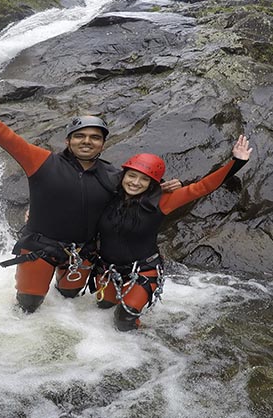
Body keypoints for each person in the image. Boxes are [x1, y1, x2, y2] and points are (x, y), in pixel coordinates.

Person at [0, 67, 181, 313]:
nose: (87, 141)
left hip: (82, 253)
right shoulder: (41, 162)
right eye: (80, 136)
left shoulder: (114, 176)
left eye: (95, 137)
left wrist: (161, 187)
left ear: (102, 144)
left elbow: (137, 191)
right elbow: (2, 135)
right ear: (68, 141)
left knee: (69, 295)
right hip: (40, 248)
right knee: (28, 305)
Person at [92, 135, 252, 331]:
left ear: (152, 183)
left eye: (144, 179)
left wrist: (237, 162)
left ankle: (144, 348)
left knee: (123, 320)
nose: (135, 182)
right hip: (107, 269)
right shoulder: (108, 194)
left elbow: (201, 188)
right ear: (123, 175)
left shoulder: (162, 201)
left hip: (142, 270)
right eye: (131, 176)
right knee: (102, 309)